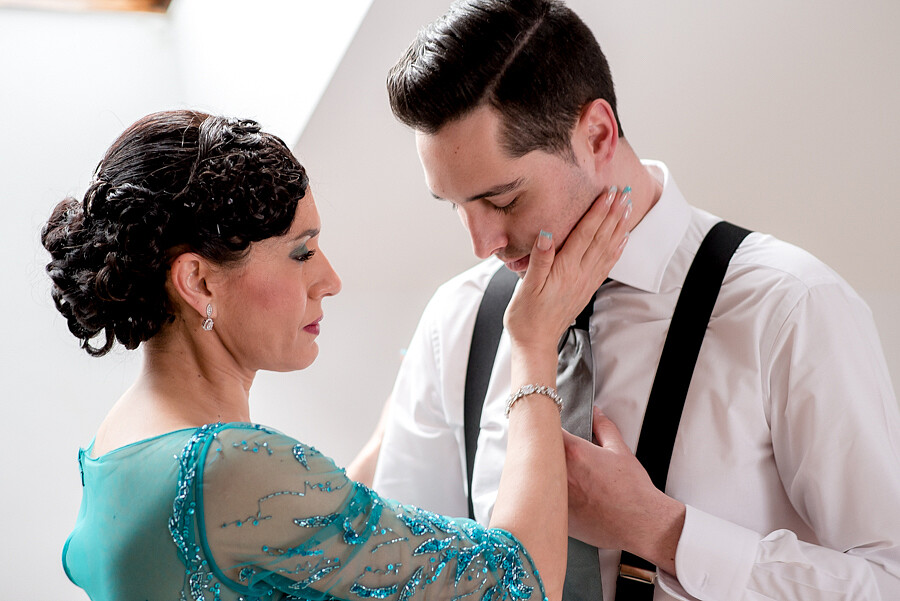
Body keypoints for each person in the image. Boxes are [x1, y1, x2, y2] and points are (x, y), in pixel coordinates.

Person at [371, 1, 900, 600]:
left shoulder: (788, 307)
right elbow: (400, 579)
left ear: (597, 134)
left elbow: (889, 580)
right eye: (456, 206)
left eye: (504, 200)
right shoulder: (457, 320)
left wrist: (662, 530)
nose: (481, 244)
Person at [42, 109, 629, 601]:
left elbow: (303, 537)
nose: (330, 280)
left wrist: (398, 411)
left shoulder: (118, 440)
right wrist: (533, 342)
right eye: (301, 253)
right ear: (197, 281)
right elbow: (522, 581)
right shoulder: (228, 466)